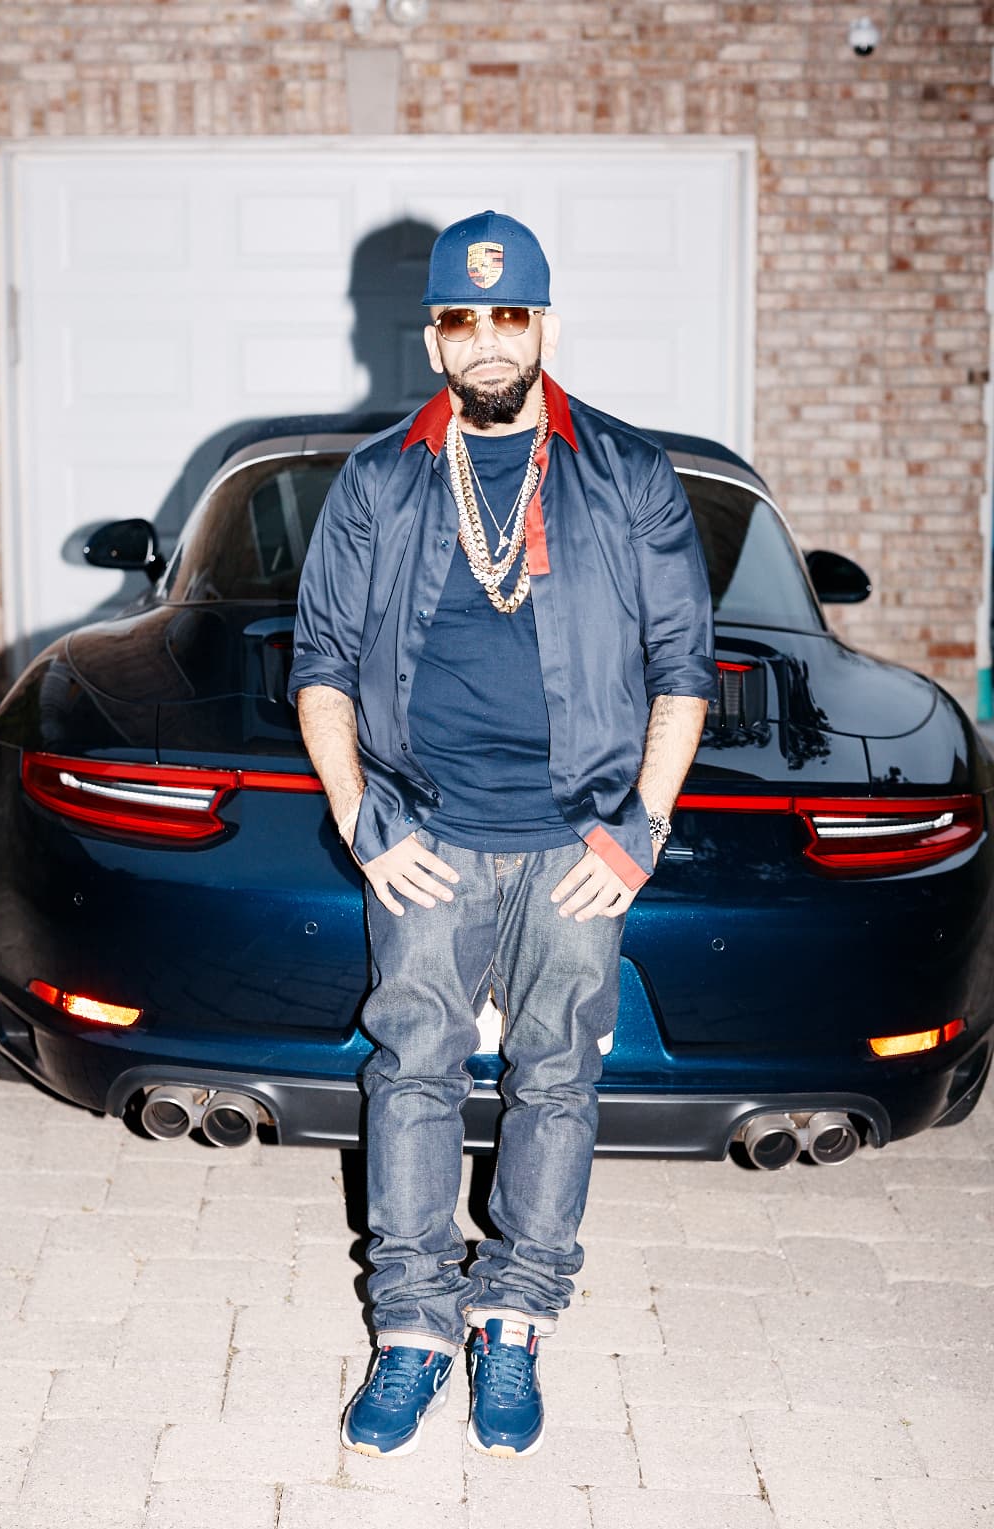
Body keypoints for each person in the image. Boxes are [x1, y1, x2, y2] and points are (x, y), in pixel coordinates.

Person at [288, 210, 717, 1460]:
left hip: (580, 839)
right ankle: (413, 1328)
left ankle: (516, 1316)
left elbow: (683, 667)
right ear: (434, 338)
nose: (488, 340)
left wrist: (640, 829)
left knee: (558, 1074)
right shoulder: (379, 480)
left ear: (546, 329)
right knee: (413, 1071)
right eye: (462, 319)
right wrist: (361, 822)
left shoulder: (627, 473)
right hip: (422, 827)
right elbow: (320, 664)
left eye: (510, 315)